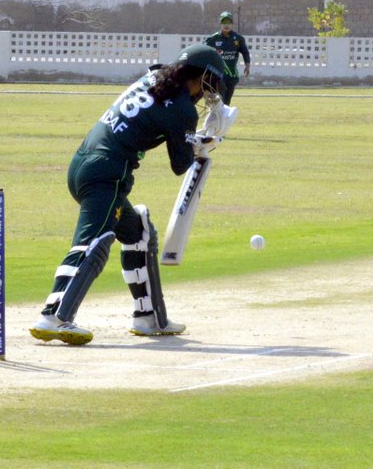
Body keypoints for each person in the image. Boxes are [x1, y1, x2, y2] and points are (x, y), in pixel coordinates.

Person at [29, 44, 231, 345]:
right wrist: (202, 146)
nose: (207, 94)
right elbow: (180, 165)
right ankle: (54, 316)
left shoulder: (155, 78)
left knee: (139, 233)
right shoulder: (182, 109)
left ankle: (149, 318)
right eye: (209, 85)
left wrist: (193, 139)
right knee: (93, 241)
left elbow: (153, 120)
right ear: (200, 77)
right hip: (106, 174)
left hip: (83, 163)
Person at [204, 11, 251, 104]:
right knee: (221, 99)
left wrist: (247, 66)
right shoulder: (213, 38)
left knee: (227, 101)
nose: (226, 25)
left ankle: (222, 116)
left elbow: (245, 52)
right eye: (224, 22)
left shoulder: (238, 38)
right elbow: (204, 50)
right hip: (219, 75)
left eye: (229, 23)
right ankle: (218, 115)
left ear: (232, 24)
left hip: (232, 75)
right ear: (221, 24)